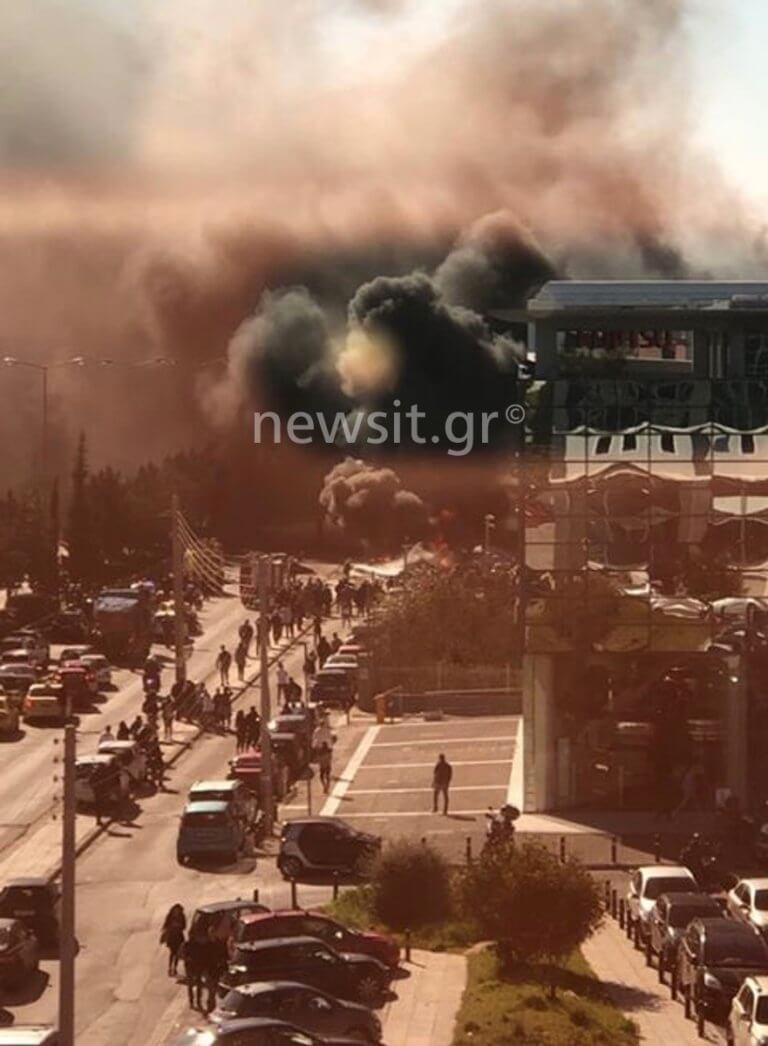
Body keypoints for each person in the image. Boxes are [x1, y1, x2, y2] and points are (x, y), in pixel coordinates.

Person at [160, 904, 186, 977]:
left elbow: (184, 926)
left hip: (179, 937)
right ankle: (170, 968)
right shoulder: (170, 916)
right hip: (172, 937)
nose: (177, 912)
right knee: (172, 953)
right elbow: (166, 925)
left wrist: (178, 926)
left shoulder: (182, 916)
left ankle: (175, 968)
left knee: (177, 953)